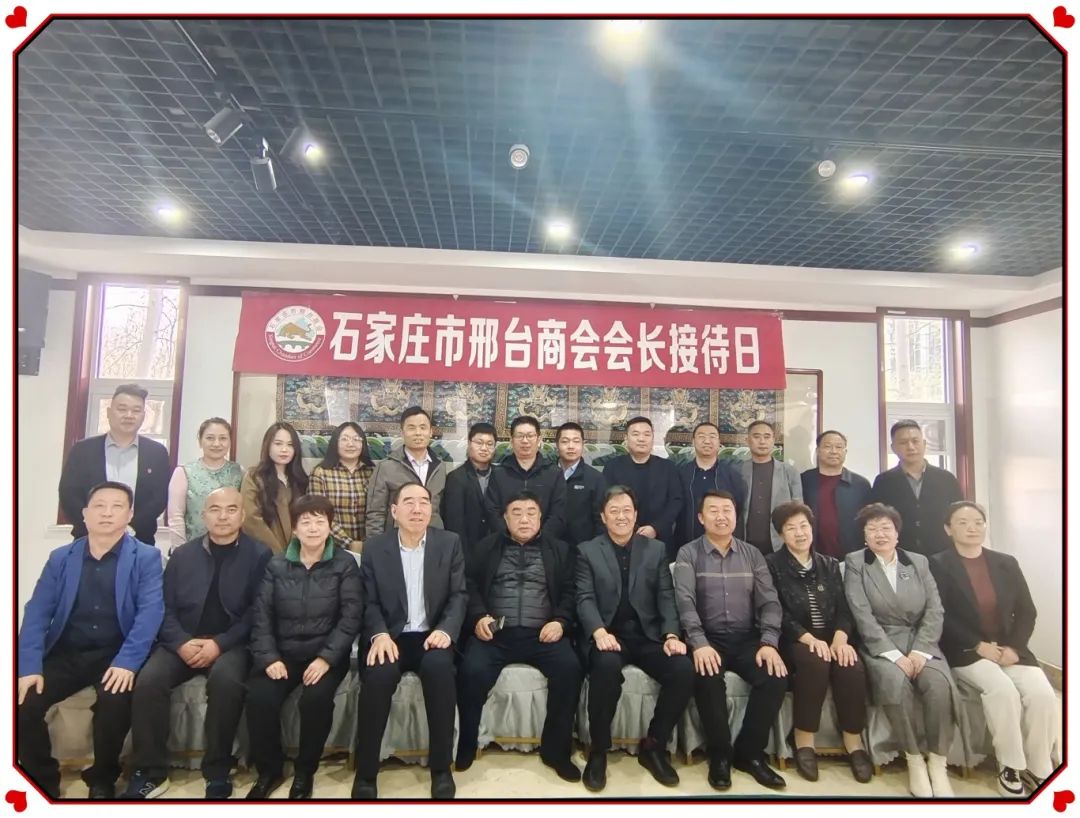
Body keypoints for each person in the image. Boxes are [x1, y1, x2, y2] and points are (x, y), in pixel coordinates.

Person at [123, 487, 273, 800]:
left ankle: (217, 771)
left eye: (231, 509)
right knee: (149, 681)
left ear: (242, 515)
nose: (223, 516)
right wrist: (180, 642)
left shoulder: (259, 555)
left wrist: (220, 644)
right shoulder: (182, 555)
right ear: (203, 515)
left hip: (232, 644)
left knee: (226, 682)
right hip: (183, 640)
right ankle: (150, 772)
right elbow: (163, 607)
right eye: (215, 509)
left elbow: (257, 612)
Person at [18, 482, 164, 800]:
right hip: (68, 651)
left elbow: (150, 614)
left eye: (116, 506)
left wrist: (127, 663)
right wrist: (28, 666)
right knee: (24, 700)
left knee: (114, 701)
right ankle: (41, 777)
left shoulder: (146, 557)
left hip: (116, 651)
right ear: (84, 514)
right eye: (99, 506)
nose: (107, 513)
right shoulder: (61, 558)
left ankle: (102, 778)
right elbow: (37, 613)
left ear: (130, 514)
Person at [930, 501, 1058, 797]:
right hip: (966, 650)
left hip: (1011, 650)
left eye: (978, 522)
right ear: (948, 529)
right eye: (963, 522)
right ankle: (1009, 765)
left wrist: (1014, 647)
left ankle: (1039, 766)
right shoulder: (938, 564)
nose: (972, 528)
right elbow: (941, 614)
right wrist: (977, 645)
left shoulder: (1006, 562)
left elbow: (1027, 612)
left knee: (1042, 695)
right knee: (1003, 691)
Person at [456, 491, 582, 781]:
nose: (524, 519)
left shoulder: (560, 550)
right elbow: (468, 585)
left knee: (570, 668)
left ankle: (557, 751)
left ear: (541, 517)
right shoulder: (485, 547)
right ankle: (466, 743)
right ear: (504, 518)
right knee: (471, 670)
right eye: (516, 513)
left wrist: (561, 622)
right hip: (496, 635)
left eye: (530, 513)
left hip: (543, 635)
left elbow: (571, 591)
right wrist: (478, 617)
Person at [244, 494, 363, 800]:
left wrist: (326, 658)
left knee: (315, 701)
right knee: (260, 697)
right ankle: (269, 770)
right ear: (294, 529)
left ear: (330, 526)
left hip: (325, 655)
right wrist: (269, 658)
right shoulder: (276, 564)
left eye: (319, 521)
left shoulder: (344, 564)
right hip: (282, 654)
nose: (312, 528)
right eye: (305, 522)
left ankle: (304, 771)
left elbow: (351, 617)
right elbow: (261, 616)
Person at [352, 483, 466, 801]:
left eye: (424, 502)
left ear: (431, 509)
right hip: (391, 636)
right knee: (378, 677)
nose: (417, 509)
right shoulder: (376, 548)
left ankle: (441, 769)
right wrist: (379, 634)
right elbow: (367, 600)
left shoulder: (449, 543)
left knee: (440, 672)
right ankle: (366, 772)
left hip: (432, 635)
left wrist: (445, 630)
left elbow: (459, 595)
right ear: (394, 511)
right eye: (409, 502)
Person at [576, 485, 693, 792]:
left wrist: (671, 634)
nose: (621, 516)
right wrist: (599, 631)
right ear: (603, 516)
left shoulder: (655, 549)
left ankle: (654, 745)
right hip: (608, 635)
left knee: (682, 669)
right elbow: (584, 597)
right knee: (605, 668)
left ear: (636, 514)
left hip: (648, 635)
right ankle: (598, 750)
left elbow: (666, 595)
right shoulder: (587, 550)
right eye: (614, 511)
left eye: (627, 510)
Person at [844, 503, 962, 798]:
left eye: (886, 528)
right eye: (872, 529)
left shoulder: (918, 562)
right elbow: (861, 613)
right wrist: (894, 656)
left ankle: (937, 762)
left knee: (938, 685)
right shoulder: (856, 562)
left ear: (897, 533)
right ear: (864, 536)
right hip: (880, 644)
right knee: (895, 683)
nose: (880, 534)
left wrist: (920, 651)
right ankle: (914, 760)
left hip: (921, 642)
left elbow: (935, 609)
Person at [673, 490, 788, 791]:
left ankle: (750, 754)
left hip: (747, 638)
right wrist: (699, 643)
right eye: (713, 510)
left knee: (774, 677)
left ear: (737, 516)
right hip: (708, 638)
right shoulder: (688, 554)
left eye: (727, 510)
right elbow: (684, 601)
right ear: (701, 518)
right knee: (707, 676)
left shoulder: (753, 555)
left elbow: (770, 602)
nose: (721, 516)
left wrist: (768, 642)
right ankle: (720, 754)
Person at [764, 502, 871, 783]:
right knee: (815, 662)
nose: (799, 533)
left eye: (804, 526)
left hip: (832, 637)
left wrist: (840, 639)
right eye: (791, 528)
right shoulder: (771, 564)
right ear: (780, 534)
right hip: (794, 639)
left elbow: (844, 608)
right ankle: (804, 740)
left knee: (851, 666)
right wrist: (808, 638)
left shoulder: (829, 564)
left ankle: (854, 742)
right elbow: (775, 609)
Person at [58, 383, 171, 545]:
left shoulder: (156, 453)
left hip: (138, 540)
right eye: (122, 409)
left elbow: (159, 498)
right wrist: (95, 527)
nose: (129, 415)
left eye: (136, 410)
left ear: (143, 416)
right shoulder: (83, 450)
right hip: (88, 540)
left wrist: (128, 528)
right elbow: (69, 495)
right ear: (109, 413)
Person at [869, 419, 963, 556]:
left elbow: (959, 516)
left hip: (942, 555)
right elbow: (876, 520)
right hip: (899, 555)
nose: (911, 447)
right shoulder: (884, 481)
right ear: (893, 447)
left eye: (915, 441)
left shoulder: (946, 479)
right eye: (903, 442)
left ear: (924, 444)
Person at [601, 417, 683, 561]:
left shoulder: (668, 468)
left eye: (646, 434)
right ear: (626, 438)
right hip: (621, 539)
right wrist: (628, 530)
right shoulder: (612, 467)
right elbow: (606, 503)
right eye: (636, 434)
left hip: (660, 539)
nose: (641, 439)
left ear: (652, 438)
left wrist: (655, 528)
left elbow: (676, 502)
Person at [366, 407, 447, 537]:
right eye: (411, 428)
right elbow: (375, 513)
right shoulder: (386, 467)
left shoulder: (440, 466)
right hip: (397, 538)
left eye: (423, 427)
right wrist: (376, 545)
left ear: (431, 432)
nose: (418, 433)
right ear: (402, 433)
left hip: (433, 537)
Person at [484, 416, 567, 540]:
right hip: (505, 543)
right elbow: (492, 511)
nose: (525, 441)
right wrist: (510, 537)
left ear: (539, 439)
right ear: (511, 440)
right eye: (520, 436)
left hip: (544, 544)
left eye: (530, 435)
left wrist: (539, 538)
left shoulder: (554, 473)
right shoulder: (499, 473)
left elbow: (558, 513)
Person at [167, 417, 244, 544]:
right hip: (193, 547)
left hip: (232, 546)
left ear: (230, 441)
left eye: (223, 438)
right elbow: (176, 517)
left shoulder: (239, 472)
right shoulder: (184, 472)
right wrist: (181, 550)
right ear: (200, 441)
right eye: (210, 438)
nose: (216, 444)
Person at [674, 421, 746, 550]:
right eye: (701, 436)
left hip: (722, 546)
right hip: (685, 545)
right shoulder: (680, 474)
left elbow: (738, 508)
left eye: (712, 437)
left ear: (719, 443)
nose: (707, 441)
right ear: (693, 441)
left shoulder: (732, 475)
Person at [799, 430, 871, 558]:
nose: (833, 451)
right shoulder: (803, 480)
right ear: (818, 451)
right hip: (809, 554)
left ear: (845, 452)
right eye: (827, 446)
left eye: (839, 447)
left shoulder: (860, 484)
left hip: (851, 556)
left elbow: (869, 521)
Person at [240, 422, 308, 554]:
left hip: (298, 554)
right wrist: (277, 554)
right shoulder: (254, 477)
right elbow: (251, 519)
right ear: (267, 446)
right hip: (265, 554)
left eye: (290, 445)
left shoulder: (300, 479)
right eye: (278, 444)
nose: (284, 449)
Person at [736, 420, 802, 556]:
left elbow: (798, 510)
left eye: (767, 437)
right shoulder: (737, 471)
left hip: (780, 544)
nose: (762, 441)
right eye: (756, 436)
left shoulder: (789, 471)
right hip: (744, 544)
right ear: (747, 440)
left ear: (773, 440)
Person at [309, 421, 375, 552]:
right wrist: (348, 543)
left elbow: (379, 511)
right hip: (333, 547)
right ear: (335, 443)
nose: (350, 444)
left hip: (370, 547)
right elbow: (318, 513)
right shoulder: (320, 473)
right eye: (344, 439)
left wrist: (370, 543)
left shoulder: (373, 472)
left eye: (356, 439)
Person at [441, 422, 497, 554]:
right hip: (466, 549)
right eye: (479, 443)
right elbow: (454, 522)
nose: (484, 448)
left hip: (495, 549)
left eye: (490, 444)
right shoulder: (456, 478)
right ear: (469, 443)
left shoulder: (500, 475)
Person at [556, 421, 606, 546]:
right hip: (549, 548)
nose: (571, 446)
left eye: (576, 441)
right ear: (557, 444)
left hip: (583, 550)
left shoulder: (595, 478)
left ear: (583, 444)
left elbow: (601, 521)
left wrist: (594, 550)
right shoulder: (547, 474)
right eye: (565, 441)